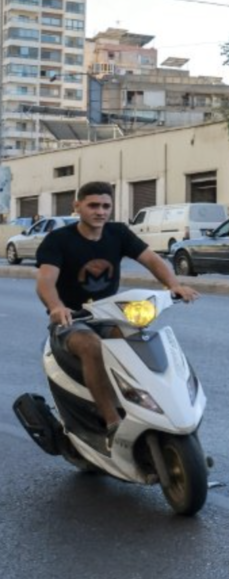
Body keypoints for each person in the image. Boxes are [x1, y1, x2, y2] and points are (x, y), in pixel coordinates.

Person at [35, 181, 199, 450]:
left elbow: (152, 260)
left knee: (139, 341)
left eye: (106, 206)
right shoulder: (59, 240)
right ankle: (112, 422)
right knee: (91, 346)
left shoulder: (118, 233)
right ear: (77, 206)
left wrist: (174, 286)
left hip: (110, 315)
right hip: (71, 321)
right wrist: (56, 307)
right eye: (93, 205)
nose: (100, 212)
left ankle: (152, 408)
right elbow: (45, 281)